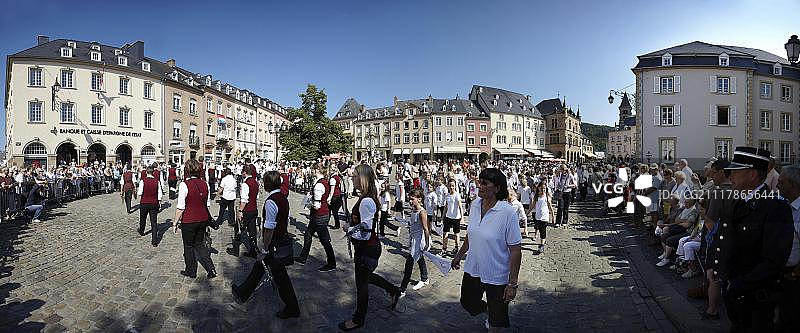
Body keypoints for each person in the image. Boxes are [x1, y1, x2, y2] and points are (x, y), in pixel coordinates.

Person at [713, 147, 793, 332]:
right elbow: (727, 240)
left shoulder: (775, 207)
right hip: (736, 295)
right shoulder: (740, 201)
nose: (730, 176)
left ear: (752, 174)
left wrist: (738, 285)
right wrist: (718, 269)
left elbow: (773, 261)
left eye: (736, 171)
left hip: (757, 301)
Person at [451, 168, 522, 332]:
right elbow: (471, 234)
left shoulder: (507, 212)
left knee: (496, 321)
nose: (479, 186)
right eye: (479, 182)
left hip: (497, 275)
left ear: (497, 188)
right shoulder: (475, 204)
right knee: (468, 302)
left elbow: (516, 250)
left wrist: (512, 284)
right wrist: (459, 255)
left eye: (485, 183)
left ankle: (494, 316)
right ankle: (489, 310)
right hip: (473, 269)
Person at [339, 164, 401, 331]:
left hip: (367, 249)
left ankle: (358, 319)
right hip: (367, 248)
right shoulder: (366, 197)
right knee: (366, 277)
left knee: (362, 285)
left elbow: (365, 233)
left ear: (362, 179)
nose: (352, 178)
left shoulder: (366, 201)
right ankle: (393, 290)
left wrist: (349, 229)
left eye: (354, 176)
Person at [231, 171, 300, 319]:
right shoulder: (282, 197)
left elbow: (269, 228)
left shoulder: (271, 201)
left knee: (281, 278)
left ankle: (292, 308)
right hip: (279, 240)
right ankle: (243, 292)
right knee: (259, 268)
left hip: (275, 244)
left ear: (268, 184)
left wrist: (265, 249)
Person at [172, 159, 216, 279]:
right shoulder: (205, 184)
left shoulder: (184, 185)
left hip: (189, 220)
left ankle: (191, 270)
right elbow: (207, 204)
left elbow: (181, 207)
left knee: (188, 246)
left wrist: (175, 223)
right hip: (202, 218)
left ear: (187, 170)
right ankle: (211, 269)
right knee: (200, 244)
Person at [295, 163, 337, 272]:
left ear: (316, 170)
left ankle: (332, 263)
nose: (311, 172)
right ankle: (303, 257)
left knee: (324, 240)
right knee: (308, 235)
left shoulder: (319, 185)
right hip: (319, 215)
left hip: (319, 215)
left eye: (312, 170)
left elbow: (317, 205)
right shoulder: (323, 181)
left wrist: (308, 204)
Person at [775, 165, 800, 332]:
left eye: (781, 182)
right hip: (782, 274)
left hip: (794, 277)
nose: (777, 185)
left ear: (792, 184)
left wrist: (794, 273)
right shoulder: (785, 206)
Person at [399, 188, 431, 295]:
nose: (410, 201)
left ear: (419, 199)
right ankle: (425, 278)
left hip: (419, 241)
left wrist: (427, 243)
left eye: (412, 199)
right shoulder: (413, 210)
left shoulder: (422, 212)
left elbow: (426, 229)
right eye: (410, 199)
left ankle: (402, 288)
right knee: (420, 259)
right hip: (413, 239)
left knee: (409, 263)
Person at [234, 166, 259, 258]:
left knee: (238, 229)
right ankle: (253, 251)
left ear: (244, 172)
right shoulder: (255, 182)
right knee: (252, 231)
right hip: (254, 209)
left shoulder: (245, 184)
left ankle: (235, 249)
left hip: (247, 210)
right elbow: (256, 197)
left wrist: (240, 211)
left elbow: (244, 200)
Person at [137, 165, 163, 246]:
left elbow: (140, 193)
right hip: (154, 203)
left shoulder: (143, 181)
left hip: (144, 202)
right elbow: (160, 194)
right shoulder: (157, 181)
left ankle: (142, 231)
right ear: (153, 172)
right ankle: (154, 241)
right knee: (154, 222)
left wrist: (141, 199)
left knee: (142, 218)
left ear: (146, 172)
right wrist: (159, 202)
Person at [442, 179, 464, 256]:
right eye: (450, 186)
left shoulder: (457, 195)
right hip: (448, 217)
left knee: (456, 234)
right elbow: (446, 206)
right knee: (445, 233)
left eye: (453, 186)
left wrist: (462, 218)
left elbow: (460, 207)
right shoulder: (447, 195)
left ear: (455, 186)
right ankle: (444, 249)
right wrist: (443, 216)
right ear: (448, 186)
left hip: (456, 218)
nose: (451, 187)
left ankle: (456, 248)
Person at [533, 182, 553, 252]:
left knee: (542, 230)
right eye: (541, 188)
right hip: (538, 216)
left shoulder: (547, 197)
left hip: (544, 217)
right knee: (540, 229)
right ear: (538, 188)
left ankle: (542, 245)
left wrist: (553, 216)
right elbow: (532, 206)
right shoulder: (536, 197)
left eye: (544, 188)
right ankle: (543, 241)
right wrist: (526, 214)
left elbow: (550, 207)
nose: (543, 190)